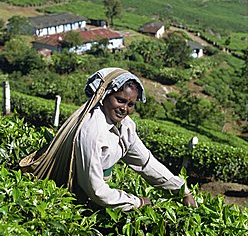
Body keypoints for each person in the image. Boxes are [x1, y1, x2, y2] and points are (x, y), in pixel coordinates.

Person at [20, 67, 197, 211]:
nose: (124, 109)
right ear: (104, 96)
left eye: (131, 104)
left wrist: (182, 190)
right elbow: (95, 190)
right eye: (120, 100)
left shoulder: (126, 126)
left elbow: (145, 163)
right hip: (68, 198)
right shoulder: (92, 131)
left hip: (94, 198)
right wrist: (138, 202)